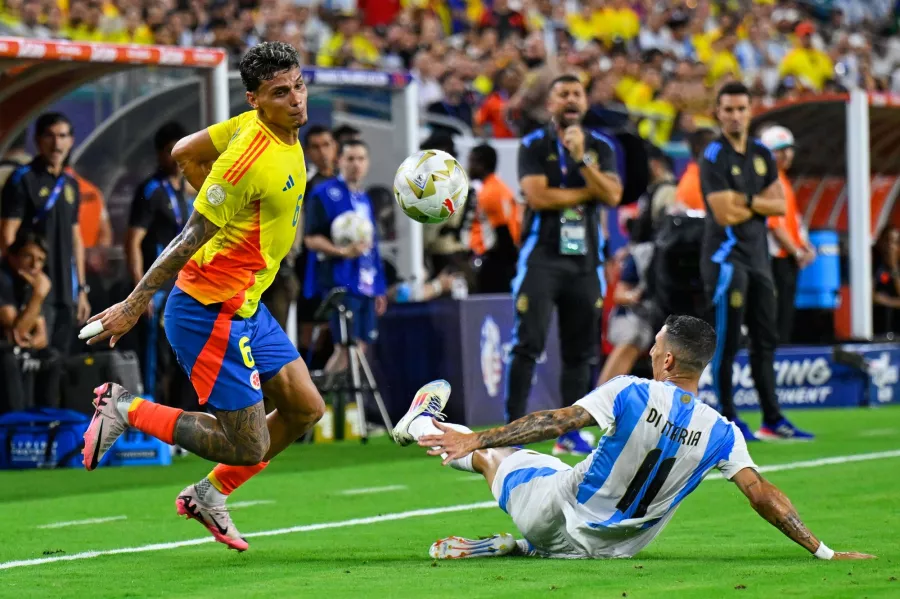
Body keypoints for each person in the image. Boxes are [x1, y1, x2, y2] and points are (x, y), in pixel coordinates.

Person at [79, 42, 326, 553]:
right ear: (255, 98)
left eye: (299, 85)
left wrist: (223, 221)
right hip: (208, 311)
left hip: (247, 303)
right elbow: (186, 238)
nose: (297, 100)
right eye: (281, 93)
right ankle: (125, 408)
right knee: (249, 443)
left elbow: (183, 152)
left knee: (305, 408)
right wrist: (133, 304)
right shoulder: (245, 159)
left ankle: (207, 495)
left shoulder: (259, 125)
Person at [390, 315, 874, 562]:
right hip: (615, 551)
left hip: (552, 515)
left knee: (499, 456)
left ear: (667, 362)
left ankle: (417, 424)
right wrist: (823, 550)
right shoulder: (723, 434)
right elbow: (763, 496)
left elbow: (557, 423)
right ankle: (515, 548)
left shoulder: (630, 392)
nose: (649, 349)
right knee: (556, 471)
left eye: (657, 345)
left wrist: (477, 440)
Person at [507, 74, 622, 456]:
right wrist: (590, 189)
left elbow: (613, 194)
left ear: (586, 102)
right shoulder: (534, 144)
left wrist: (582, 161)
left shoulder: (600, 146)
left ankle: (569, 432)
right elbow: (537, 196)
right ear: (550, 104)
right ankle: (512, 430)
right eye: (563, 94)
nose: (571, 100)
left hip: (585, 262)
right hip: (542, 258)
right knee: (528, 344)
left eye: (577, 93)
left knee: (581, 352)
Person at [699, 82, 813, 442]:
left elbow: (779, 204)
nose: (735, 115)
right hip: (726, 260)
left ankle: (772, 419)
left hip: (758, 260)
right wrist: (755, 202)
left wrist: (743, 199)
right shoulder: (713, 155)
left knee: (766, 340)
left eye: (741, 109)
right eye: (728, 109)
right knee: (729, 342)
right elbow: (723, 212)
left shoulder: (762, 153)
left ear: (751, 111)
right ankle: (727, 418)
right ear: (718, 112)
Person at [0, 112, 90, 356]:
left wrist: (81, 289)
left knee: (58, 361)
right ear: (38, 141)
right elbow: (8, 235)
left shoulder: (71, 184)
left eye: (62, 136)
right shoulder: (23, 179)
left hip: (66, 289)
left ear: (71, 141)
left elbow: (76, 238)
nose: (56, 143)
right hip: (37, 289)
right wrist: (24, 282)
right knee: (33, 357)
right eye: (49, 136)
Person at [302, 139, 387, 372]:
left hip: (366, 285)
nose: (356, 164)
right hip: (340, 283)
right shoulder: (324, 193)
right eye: (350, 159)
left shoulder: (365, 199)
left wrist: (379, 287)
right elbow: (311, 239)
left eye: (361, 159)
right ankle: (322, 404)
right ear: (339, 161)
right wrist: (342, 252)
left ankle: (345, 404)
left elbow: (372, 247)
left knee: (360, 347)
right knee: (345, 348)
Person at [125, 121, 193, 405]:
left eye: (182, 150)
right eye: (170, 151)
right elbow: (132, 243)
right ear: (159, 154)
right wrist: (142, 292)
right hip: (158, 289)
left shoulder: (183, 188)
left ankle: (179, 423)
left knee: (182, 357)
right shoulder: (151, 189)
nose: (177, 157)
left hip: (184, 287)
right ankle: (150, 427)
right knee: (156, 360)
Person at [760, 125, 816, 344]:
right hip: (778, 259)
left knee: (785, 314)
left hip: (787, 257)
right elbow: (773, 225)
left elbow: (793, 222)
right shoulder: (769, 181)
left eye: (789, 149)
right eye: (780, 150)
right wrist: (798, 251)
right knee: (778, 315)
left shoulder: (781, 180)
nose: (787, 155)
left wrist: (804, 247)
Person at [0, 231, 62, 413]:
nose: (35, 265)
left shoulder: (29, 281)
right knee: (9, 358)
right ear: (12, 257)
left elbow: (42, 337)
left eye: (40, 260)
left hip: (17, 348)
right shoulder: (3, 279)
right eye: (28, 257)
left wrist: (30, 343)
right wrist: (39, 295)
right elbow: (16, 333)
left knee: (52, 358)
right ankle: (16, 428)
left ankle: (48, 425)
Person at [295, 125, 338, 359]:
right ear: (307, 152)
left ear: (335, 148)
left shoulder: (346, 184)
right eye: (315, 147)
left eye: (326, 145)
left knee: (338, 333)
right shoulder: (306, 186)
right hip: (310, 269)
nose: (322, 152)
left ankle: (337, 393)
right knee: (310, 333)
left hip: (339, 269)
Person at [467, 143, 520, 294]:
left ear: (481, 165)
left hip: (496, 262)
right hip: (501, 259)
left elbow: (502, 231)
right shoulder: (497, 187)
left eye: (472, 162)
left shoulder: (490, 193)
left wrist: (505, 264)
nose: (468, 167)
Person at [873, 227, 900, 336]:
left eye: (895, 242)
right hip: (877, 328)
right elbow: (870, 296)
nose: (890, 246)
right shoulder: (873, 264)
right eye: (887, 241)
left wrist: (893, 268)